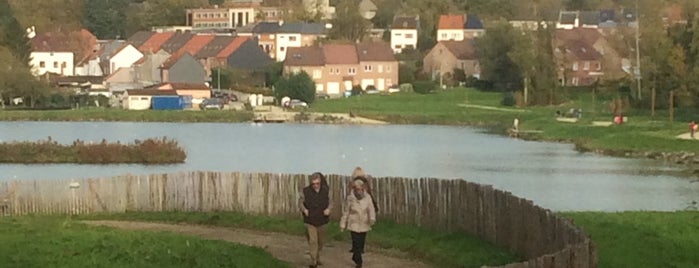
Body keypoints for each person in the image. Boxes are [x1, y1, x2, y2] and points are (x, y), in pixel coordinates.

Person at [340, 179, 376, 268]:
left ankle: (355, 256)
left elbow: (371, 209)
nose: (359, 191)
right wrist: (342, 224)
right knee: (356, 243)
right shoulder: (350, 198)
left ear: (363, 189)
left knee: (361, 244)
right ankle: (359, 262)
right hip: (354, 224)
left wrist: (372, 218)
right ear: (354, 189)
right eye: (357, 189)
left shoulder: (368, 198)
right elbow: (346, 212)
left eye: (360, 189)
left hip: (364, 223)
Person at [298, 172, 332, 268]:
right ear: (311, 183)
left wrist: (329, 209)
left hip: (322, 220)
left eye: (317, 183)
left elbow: (331, 202)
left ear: (320, 183)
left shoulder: (326, 190)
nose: (315, 186)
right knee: (313, 241)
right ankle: (313, 261)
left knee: (320, 241)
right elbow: (300, 202)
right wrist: (304, 210)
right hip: (310, 220)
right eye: (313, 184)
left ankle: (317, 256)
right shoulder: (305, 191)